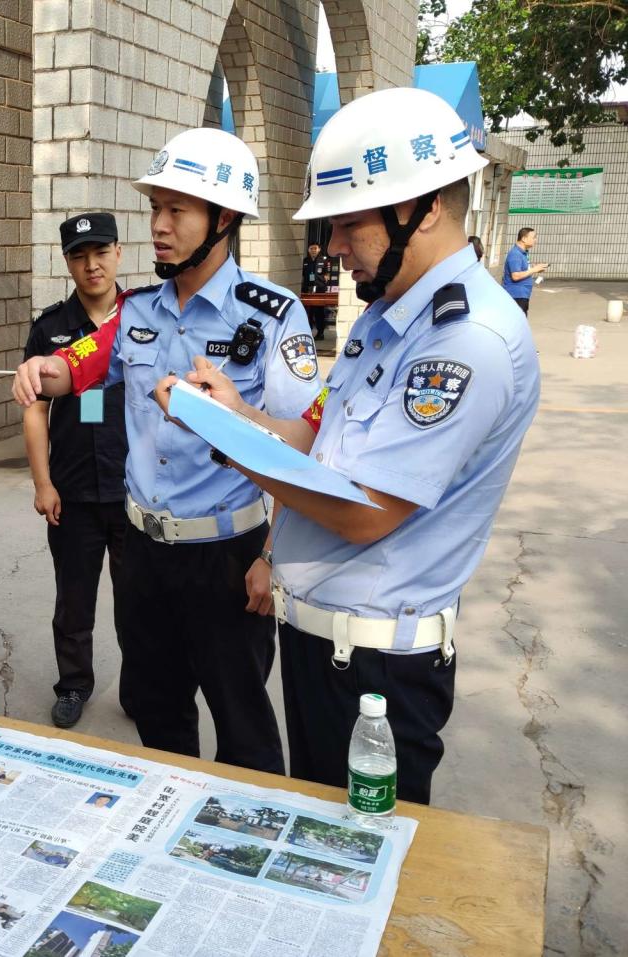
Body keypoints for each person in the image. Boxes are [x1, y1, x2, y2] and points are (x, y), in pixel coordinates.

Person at [157, 87, 539, 804]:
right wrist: (237, 414)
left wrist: (224, 442)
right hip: (324, 647)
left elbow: (364, 509)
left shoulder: (467, 342)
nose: (332, 248)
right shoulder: (387, 318)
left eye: (346, 226)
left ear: (421, 210)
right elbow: (311, 438)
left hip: (377, 673)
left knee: (357, 866)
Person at [12, 128, 321, 772]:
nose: (158, 225)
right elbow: (80, 367)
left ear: (224, 219)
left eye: (176, 210)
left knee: (242, 725)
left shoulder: (271, 317)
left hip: (228, 558)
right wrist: (43, 366)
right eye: (155, 208)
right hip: (144, 557)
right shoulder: (138, 311)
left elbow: (304, 449)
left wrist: (273, 555)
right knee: (158, 714)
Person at [23, 212, 132, 729]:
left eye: (101, 252)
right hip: (73, 488)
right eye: (79, 255)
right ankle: (73, 684)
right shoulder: (49, 328)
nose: (92, 265)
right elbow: (34, 409)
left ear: (117, 253)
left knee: (140, 600)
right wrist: (43, 482)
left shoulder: (143, 319)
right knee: (74, 601)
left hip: (136, 489)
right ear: (67, 261)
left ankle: (140, 685)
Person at [502, 227, 547, 315]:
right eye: (534, 237)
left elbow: (522, 270)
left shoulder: (523, 252)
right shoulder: (515, 254)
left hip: (522, 295)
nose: (536, 240)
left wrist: (535, 268)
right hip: (516, 295)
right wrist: (534, 269)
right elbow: (516, 276)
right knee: (517, 324)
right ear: (524, 239)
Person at [301, 241, 331, 339]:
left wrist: (325, 280)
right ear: (308, 250)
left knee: (319, 312)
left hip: (319, 289)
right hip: (308, 289)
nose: (313, 250)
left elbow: (327, 274)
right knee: (308, 312)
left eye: (315, 248)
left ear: (319, 249)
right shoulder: (305, 261)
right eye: (311, 248)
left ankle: (320, 332)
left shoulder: (324, 260)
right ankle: (307, 332)